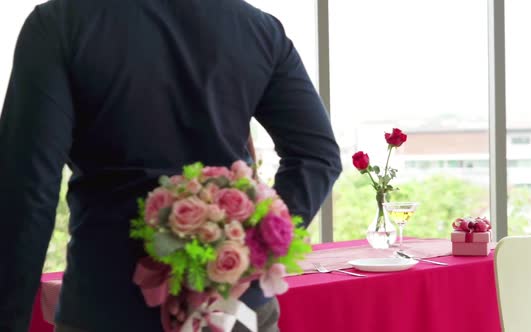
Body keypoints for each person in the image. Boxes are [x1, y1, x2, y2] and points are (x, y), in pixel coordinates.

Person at [0, 0, 342, 331]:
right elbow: (317, 155)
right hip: (232, 309)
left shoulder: (60, 22)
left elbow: (28, 191)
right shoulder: (258, 27)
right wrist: (249, 252)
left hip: (109, 305)